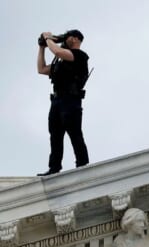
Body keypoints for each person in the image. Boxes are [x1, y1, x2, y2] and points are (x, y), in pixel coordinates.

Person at [36, 29, 90, 176]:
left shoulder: (80, 56)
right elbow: (41, 69)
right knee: (55, 135)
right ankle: (54, 167)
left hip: (71, 100)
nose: (66, 40)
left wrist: (48, 39)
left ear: (75, 39)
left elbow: (58, 52)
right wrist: (42, 47)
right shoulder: (61, 62)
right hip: (57, 100)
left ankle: (82, 164)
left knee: (74, 133)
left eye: (68, 37)